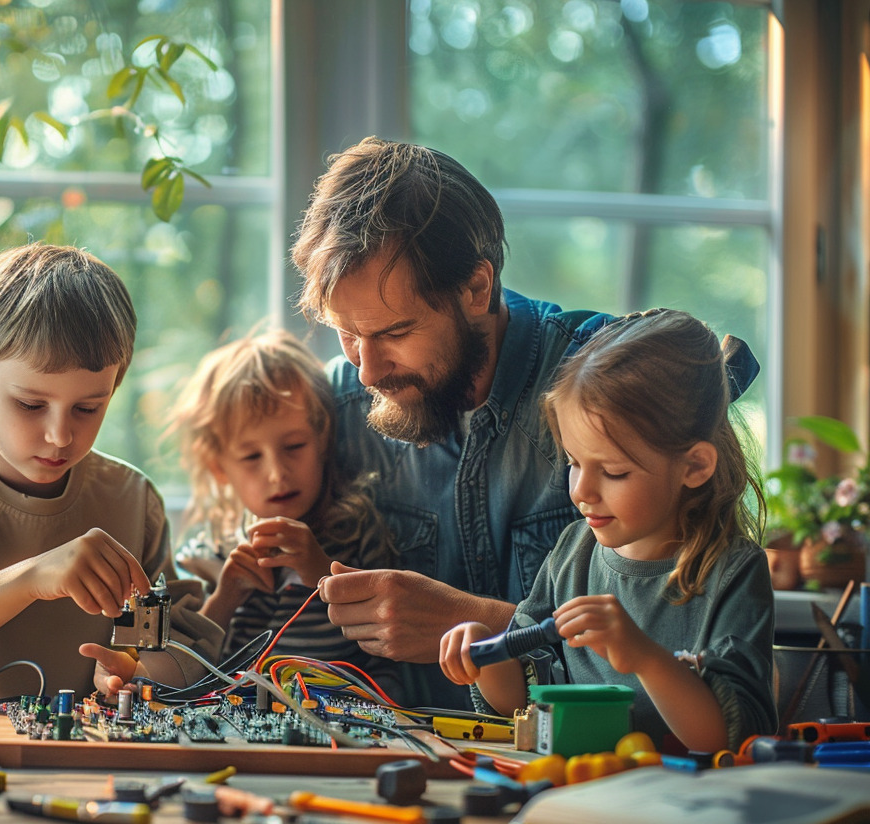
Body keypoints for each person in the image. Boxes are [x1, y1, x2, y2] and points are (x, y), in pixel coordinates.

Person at [292, 137, 756, 710]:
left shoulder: (607, 390)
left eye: (394, 333)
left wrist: (481, 624)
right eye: (347, 333)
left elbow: (688, 655)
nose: (366, 371)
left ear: (476, 289)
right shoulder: (332, 407)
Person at [0, 243, 223, 708]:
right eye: (31, 405)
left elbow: (186, 650)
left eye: (88, 408)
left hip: (85, 765)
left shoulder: (132, 500)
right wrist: (32, 577)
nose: (59, 435)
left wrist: (137, 669)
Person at [439, 309, 777, 753]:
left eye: (614, 472)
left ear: (694, 466)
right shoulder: (574, 551)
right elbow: (520, 702)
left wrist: (643, 657)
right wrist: (484, 653)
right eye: (574, 463)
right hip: (581, 792)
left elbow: (728, 740)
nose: (581, 490)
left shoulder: (733, 573)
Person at [169, 329, 400, 696]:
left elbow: (383, 655)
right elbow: (183, 672)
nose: (277, 473)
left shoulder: (356, 532)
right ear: (218, 467)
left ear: (322, 440)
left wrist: (323, 574)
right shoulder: (208, 552)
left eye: (294, 446)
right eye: (251, 457)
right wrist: (225, 597)